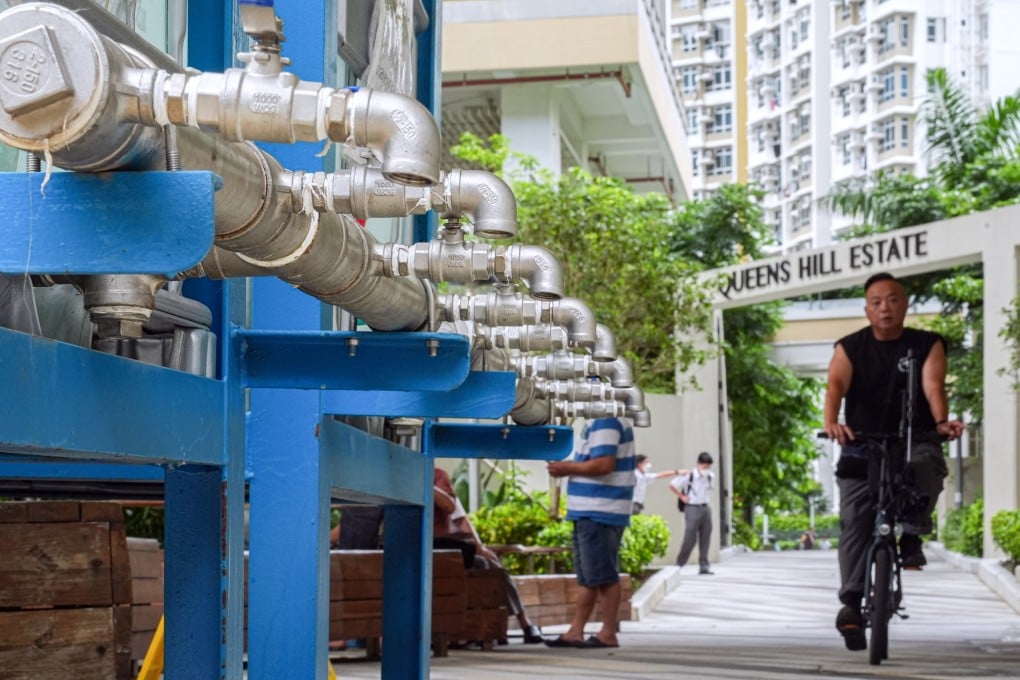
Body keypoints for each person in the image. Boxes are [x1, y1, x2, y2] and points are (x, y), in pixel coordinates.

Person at [824, 271, 965, 652]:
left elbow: (932, 386)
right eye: (876, 302)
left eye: (892, 300)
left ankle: (913, 534)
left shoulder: (927, 344)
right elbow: (835, 386)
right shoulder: (849, 347)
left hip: (913, 436)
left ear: (904, 305)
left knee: (927, 465)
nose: (885, 308)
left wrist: (939, 422)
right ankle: (851, 605)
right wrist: (832, 423)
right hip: (862, 442)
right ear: (867, 309)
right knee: (855, 519)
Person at [545, 416, 636, 649]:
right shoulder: (599, 420)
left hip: (599, 508)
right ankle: (575, 630)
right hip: (589, 509)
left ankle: (607, 633)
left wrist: (566, 468)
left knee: (603, 574)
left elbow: (604, 464)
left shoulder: (606, 419)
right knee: (589, 576)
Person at [432, 467, 544, 644]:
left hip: (451, 549)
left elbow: (457, 515)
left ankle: (516, 624)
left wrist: (480, 547)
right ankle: (507, 626)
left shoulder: (436, 477)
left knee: (492, 567)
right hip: (430, 551)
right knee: (483, 566)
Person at [669, 452, 716, 574]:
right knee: (690, 538)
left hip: (705, 508)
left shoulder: (710, 476)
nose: (706, 469)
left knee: (705, 537)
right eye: (705, 467)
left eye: (708, 467)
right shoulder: (689, 475)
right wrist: (682, 496)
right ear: (698, 464)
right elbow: (672, 485)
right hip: (692, 508)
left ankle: (704, 566)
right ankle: (679, 564)